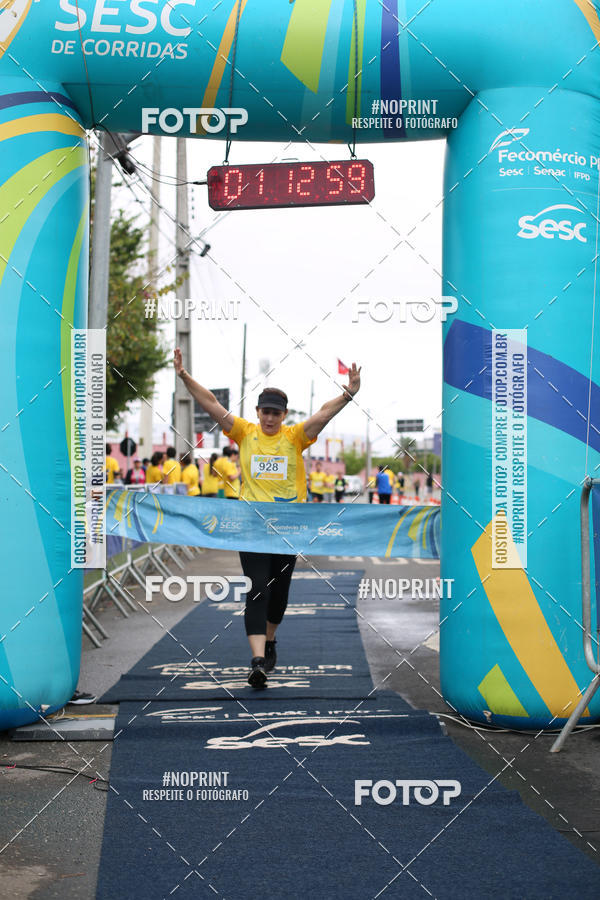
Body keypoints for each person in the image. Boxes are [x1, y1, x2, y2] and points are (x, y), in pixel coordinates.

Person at [174, 346, 361, 688]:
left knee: (280, 593)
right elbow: (211, 404)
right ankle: (258, 660)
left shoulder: (295, 437)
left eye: (276, 413)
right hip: (252, 528)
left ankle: (271, 639)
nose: (270, 419)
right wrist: (185, 376)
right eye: (265, 412)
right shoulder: (244, 432)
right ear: (257, 412)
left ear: (284, 415)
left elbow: (323, 414)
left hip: (289, 529)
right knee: (257, 587)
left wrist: (347, 395)